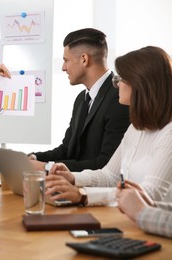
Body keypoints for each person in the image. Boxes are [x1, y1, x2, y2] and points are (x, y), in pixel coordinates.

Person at [45, 46, 172, 207]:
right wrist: (72, 177)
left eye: (122, 79)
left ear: (141, 85)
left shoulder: (169, 133)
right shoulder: (136, 128)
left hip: (154, 228)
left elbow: (149, 193)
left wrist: (83, 196)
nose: (117, 85)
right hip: (130, 219)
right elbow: (110, 176)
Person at [29, 28, 130, 172]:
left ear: (84, 59)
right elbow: (67, 149)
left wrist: (47, 167)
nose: (63, 68)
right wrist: (34, 157)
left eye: (66, 60)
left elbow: (106, 164)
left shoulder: (120, 97)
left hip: (96, 191)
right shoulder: (82, 99)